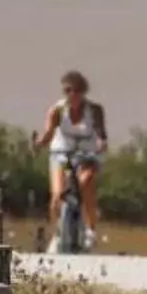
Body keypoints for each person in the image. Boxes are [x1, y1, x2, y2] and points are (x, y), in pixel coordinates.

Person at [31, 70, 108, 248]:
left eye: (76, 91)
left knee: (86, 182)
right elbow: (49, 134)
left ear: (83, 92)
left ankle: (90, 230)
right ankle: (57, 231)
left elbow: (101, 134)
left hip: (86, 153)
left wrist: (101, 143)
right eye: (68, 91)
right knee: (58, 194)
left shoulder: (95, 110)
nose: (72, 95)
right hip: (62, 151)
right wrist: (38, 143)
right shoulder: (57, 110)